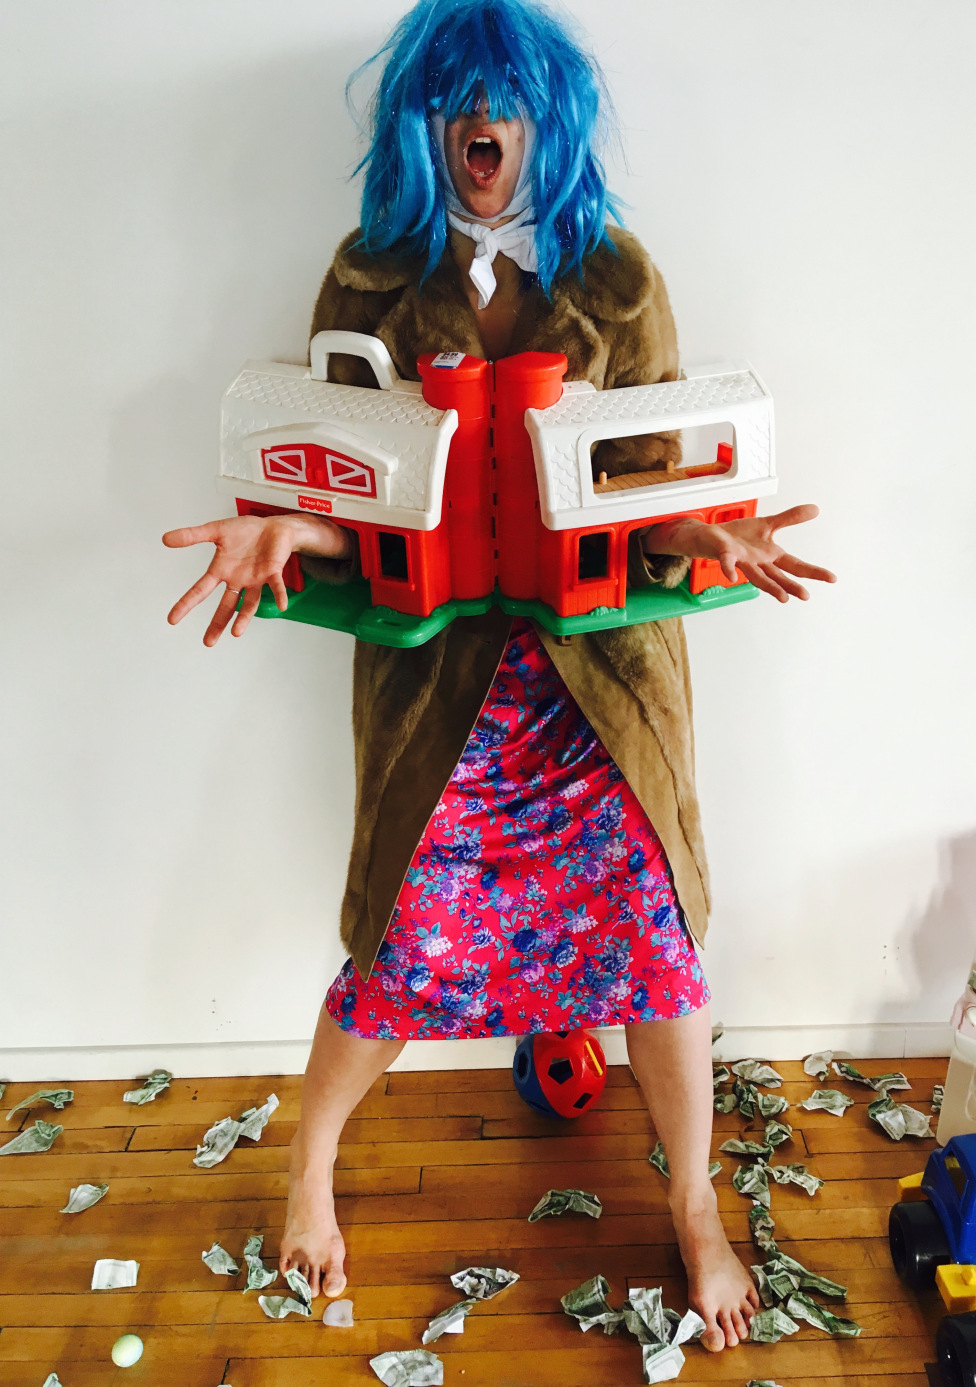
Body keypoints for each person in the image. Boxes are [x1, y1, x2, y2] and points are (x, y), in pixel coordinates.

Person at [164, 0, 834, 1352]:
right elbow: (340, 484)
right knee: (401, 947)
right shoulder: (368, 279)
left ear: (547, 120)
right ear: (425, 124)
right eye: (458, 99)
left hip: (600, 695)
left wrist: (704, 533)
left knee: (655, 946)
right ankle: (307, 1172)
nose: (484, 122)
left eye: (509, 99)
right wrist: (288, 527)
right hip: (448, 697)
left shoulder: (618, 280)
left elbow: (653, 484)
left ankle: (694, 1204)